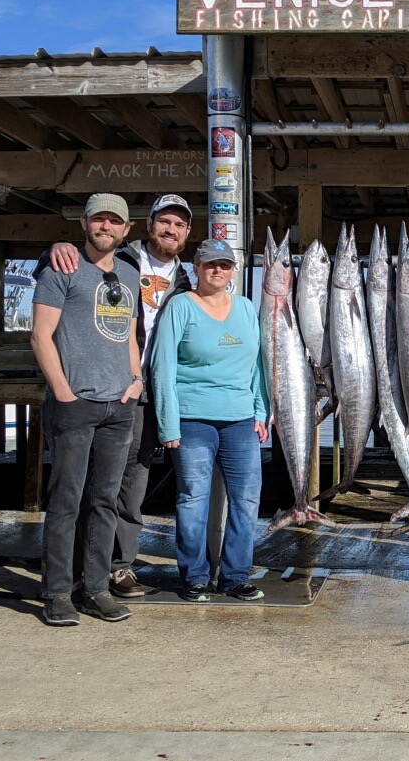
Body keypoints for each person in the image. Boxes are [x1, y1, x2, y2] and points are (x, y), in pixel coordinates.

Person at [38, 194, 193, 599]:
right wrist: (52, 247)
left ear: (187, 234)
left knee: (129, 483)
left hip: (141, 389)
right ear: (145, 225)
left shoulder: (185, 281)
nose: (170, 230)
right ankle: (69, 578)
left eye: (179, 225)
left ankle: (117, 568)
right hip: (87, 391)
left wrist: (141, 379)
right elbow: (64, 269)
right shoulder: (121, 258)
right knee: (73, 490)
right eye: (164, 222)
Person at [30, 193, 143, 626]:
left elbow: (131, 334)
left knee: (104, 502)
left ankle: (95, 588)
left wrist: (135, 382)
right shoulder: (60, 267)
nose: (106, 227)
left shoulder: (130, 274)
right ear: (84, 224)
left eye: (115, 222)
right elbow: (41, 336)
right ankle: (58, 592)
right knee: (66, 500)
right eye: (100, 220)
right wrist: (63, 392)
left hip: (119, 406)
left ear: (125, 229)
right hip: (75, 403)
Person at [150, 239, 269, 602]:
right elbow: (162, 367)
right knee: (192, 498)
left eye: (225, 265)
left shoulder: (248, 309)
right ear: (196, 268)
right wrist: (168, 424)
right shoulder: (181, 307)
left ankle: (235, 576)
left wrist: (261, 411)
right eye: (210, 264)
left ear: (232, 271)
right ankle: (195, 576)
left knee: (247, 500)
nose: (218, 270)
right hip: (192, 420)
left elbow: (259, 367)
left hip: (240, 420)